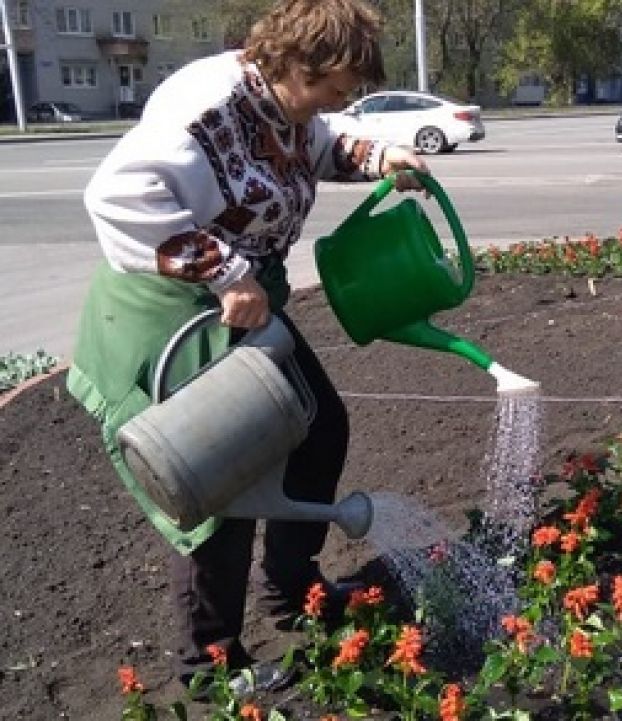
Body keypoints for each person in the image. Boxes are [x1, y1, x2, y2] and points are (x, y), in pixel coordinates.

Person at [66, 0, 427, 693]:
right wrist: (224, 272)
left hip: (239, 307)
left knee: (319, 427)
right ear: (298, 64)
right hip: (175, 314)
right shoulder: (210, 109)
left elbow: (319, 144)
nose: (340, 101)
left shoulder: (287, 107)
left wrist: (380, 153)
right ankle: (210, 663)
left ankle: (293, 592)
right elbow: (115, 194)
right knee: (218, 481)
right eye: (337, 86)